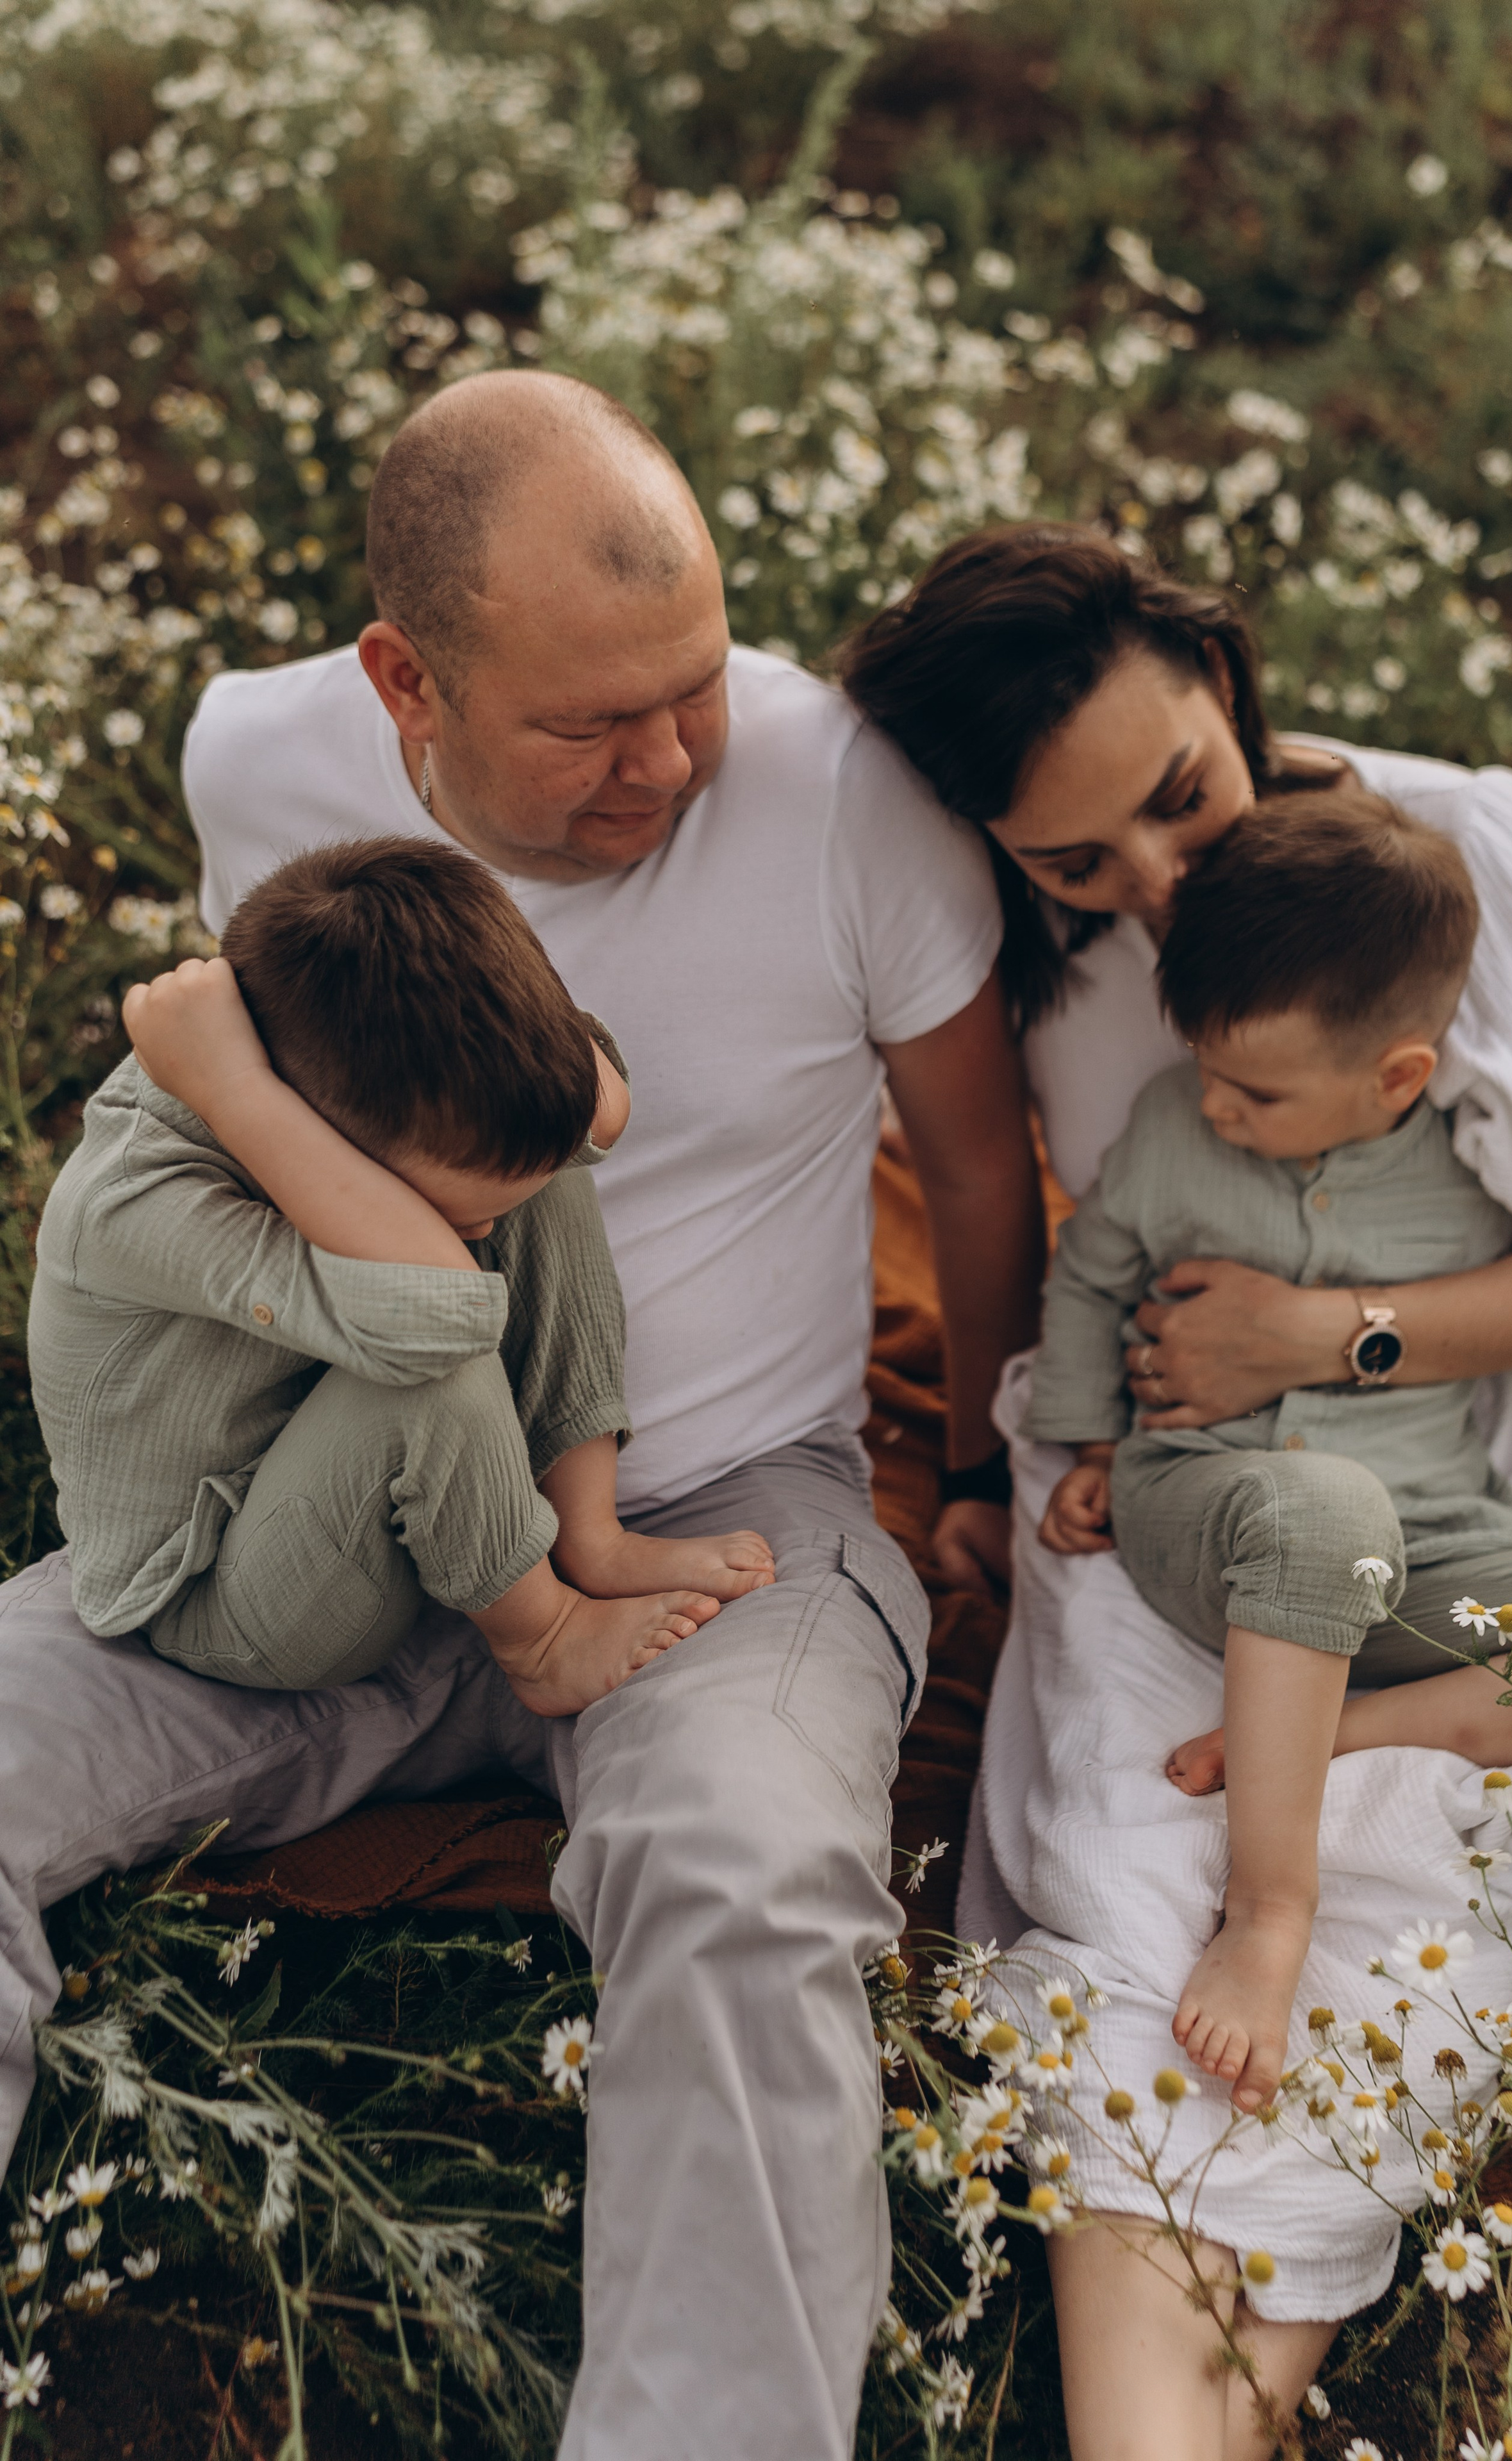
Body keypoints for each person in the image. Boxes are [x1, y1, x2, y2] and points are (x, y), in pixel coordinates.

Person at [0, 375, 1045, 2461]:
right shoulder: (257, 755)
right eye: (590, 724)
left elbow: (980, 1169)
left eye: (693, 687)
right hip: (312, 1507)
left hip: (718, 1515)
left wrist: (982, 1473)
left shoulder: (847, 796)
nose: (670, 762)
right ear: (406, 681)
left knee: (744, 1874)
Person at [841, 524, 1512, 2458]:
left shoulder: (1453, 852)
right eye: (1073, 862)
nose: (1154, 887)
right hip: (1166, 1484)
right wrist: (996, 1468)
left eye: (1179, 798)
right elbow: (1020, 1229)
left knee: (1405, 1887)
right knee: (1142, 1906)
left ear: (1224, 675)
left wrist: (1325, 1336)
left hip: (1449, 1444)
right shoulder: (1031, 961)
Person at [1028, 788, 1512, 2113]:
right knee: (1325, 1507)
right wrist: (1089, 1444)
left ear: (1397, 1077)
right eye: (1203, 1067)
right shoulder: (1171, 1133)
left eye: (1253, 1090)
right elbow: (1089, 1274)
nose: (1214, 1104)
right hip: (1216, 1505)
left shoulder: (1472, 1172)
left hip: (1433, 1535)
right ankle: (1267, 1911)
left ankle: (1320, 1727)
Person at [30, 839, 776, 1710]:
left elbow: (598, 1109)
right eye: (462, 1217)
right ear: (316, 1130)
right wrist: (237, 1088)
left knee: (541, 1176)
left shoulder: (337, 1060)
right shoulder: (136, 1200)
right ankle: (540, 1638)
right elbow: (438, 1320)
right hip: (228, 1588)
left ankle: (589, 1538)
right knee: (432, 1364)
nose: (482, 1235)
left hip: (350, 1476)